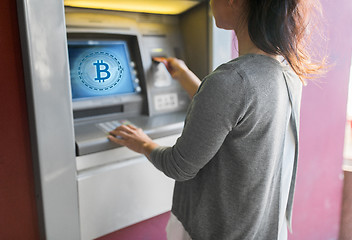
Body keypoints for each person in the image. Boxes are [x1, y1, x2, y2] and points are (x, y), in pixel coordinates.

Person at [108, 0, 326, 239]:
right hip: (260, 229)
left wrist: (142, 143)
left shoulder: (232, 80)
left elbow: (178, 166)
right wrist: (184, 76)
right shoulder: (286, 72)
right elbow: (232, 114)